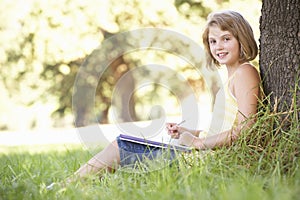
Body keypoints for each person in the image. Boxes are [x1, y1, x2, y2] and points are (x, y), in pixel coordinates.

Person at [68, 10, 261, 181]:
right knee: (125, 143)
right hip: (203, 155)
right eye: (213, 41)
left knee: (121, 146)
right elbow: (225, 129)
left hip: (209, 163)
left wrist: (197, 142)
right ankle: (75, 185)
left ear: (241, 38)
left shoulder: (245, 73)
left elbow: (246, 129)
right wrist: (188, 132)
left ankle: (64, 188)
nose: (218, 46)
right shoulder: (231, 77)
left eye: (226, 39)